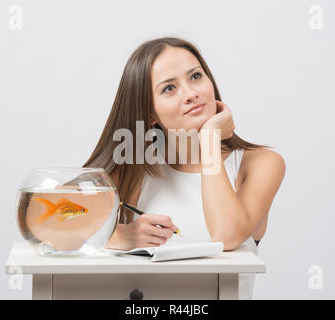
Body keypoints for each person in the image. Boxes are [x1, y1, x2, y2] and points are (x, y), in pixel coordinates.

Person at [82, 37, 286, 299]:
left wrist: (210, 138)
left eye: (196, 76)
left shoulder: (259, 163)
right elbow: (54, 218)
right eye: (169, 88)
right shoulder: (135, 168)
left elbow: (225, 236)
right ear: (150, 113)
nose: (191, 94)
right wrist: (120, 235)